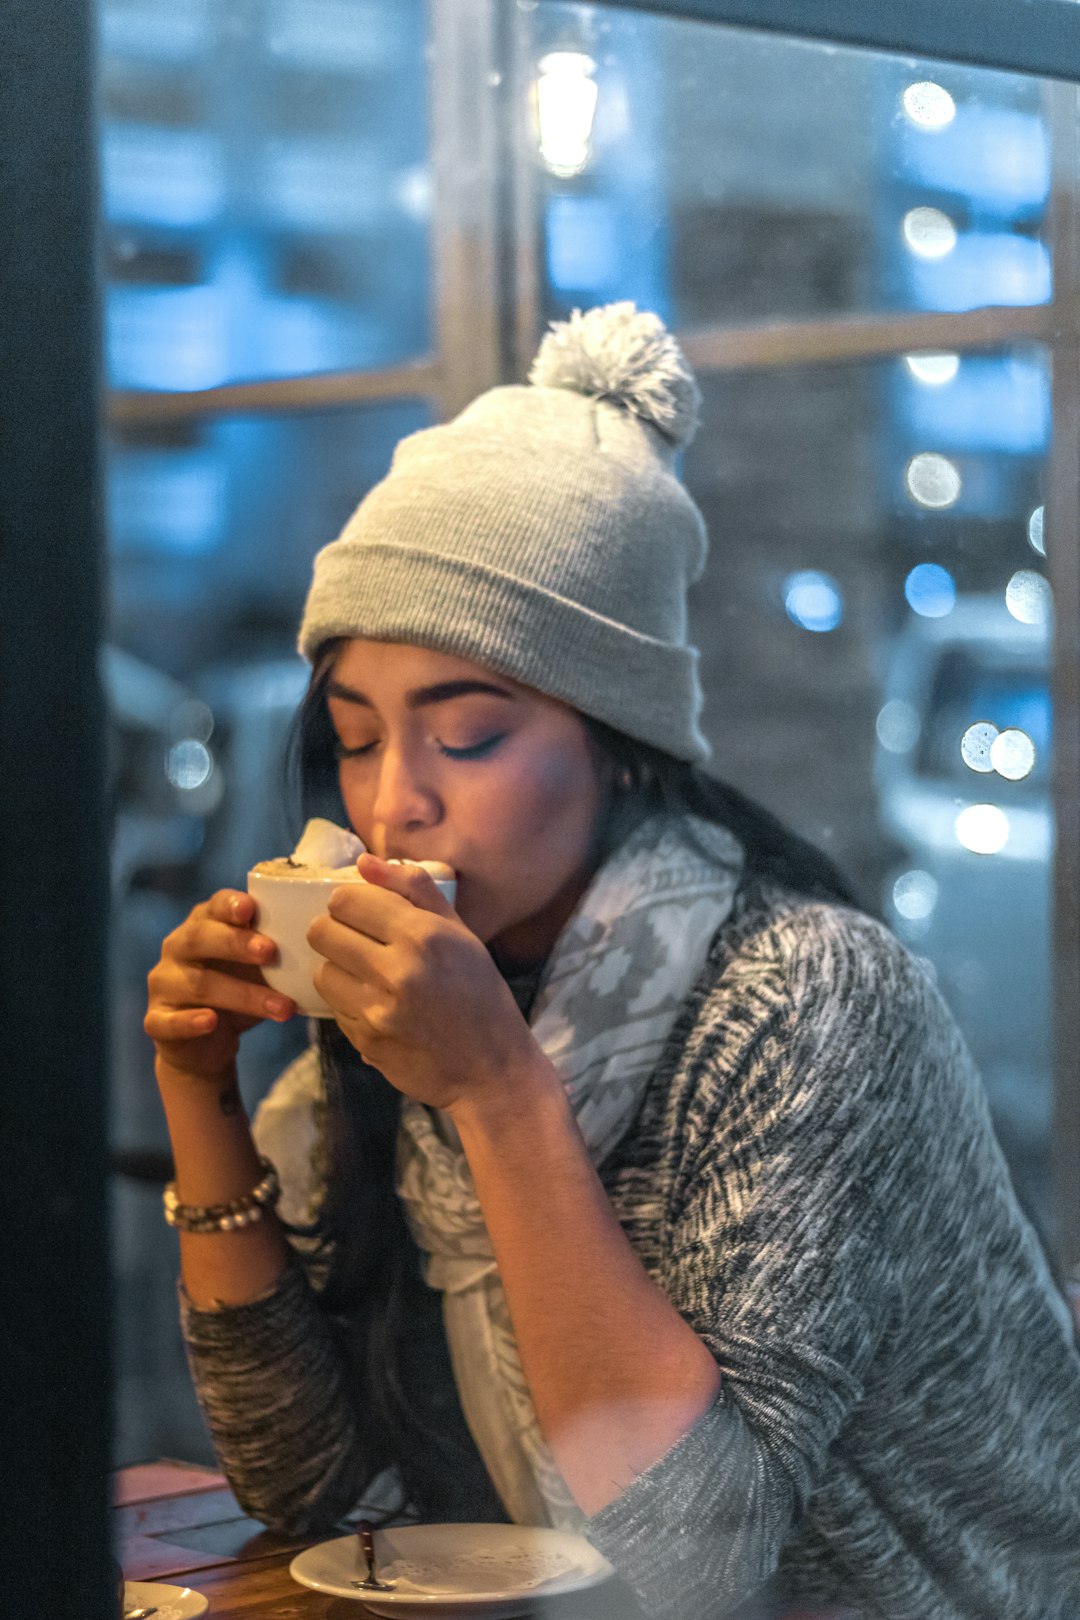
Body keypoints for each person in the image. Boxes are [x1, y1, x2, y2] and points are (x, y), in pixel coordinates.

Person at [146, 303, 1080, 1620]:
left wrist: (499, 1092)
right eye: (356, 737)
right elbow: (309, 1494)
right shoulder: (415, 995)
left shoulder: (809, 997)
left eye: (465, 734)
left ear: (619, 745)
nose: (392, 803)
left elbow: (697, 1557)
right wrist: (199, 1094)